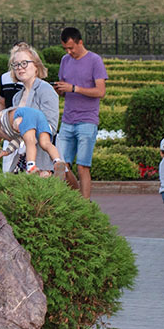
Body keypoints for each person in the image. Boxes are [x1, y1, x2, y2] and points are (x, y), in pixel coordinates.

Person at [55, 26, 108, 199]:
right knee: (60, 165)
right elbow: (64, 88)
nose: (69, 52)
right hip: (68, 119)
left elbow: (100, 91)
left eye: (71, 47)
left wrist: (74, 88)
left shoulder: (94, 60)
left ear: (80, 42)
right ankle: (73, 200)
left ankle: (85, 206)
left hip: (87, 120)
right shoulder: (65, 60)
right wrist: (60, 89)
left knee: (83, 166)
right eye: (66, 48)